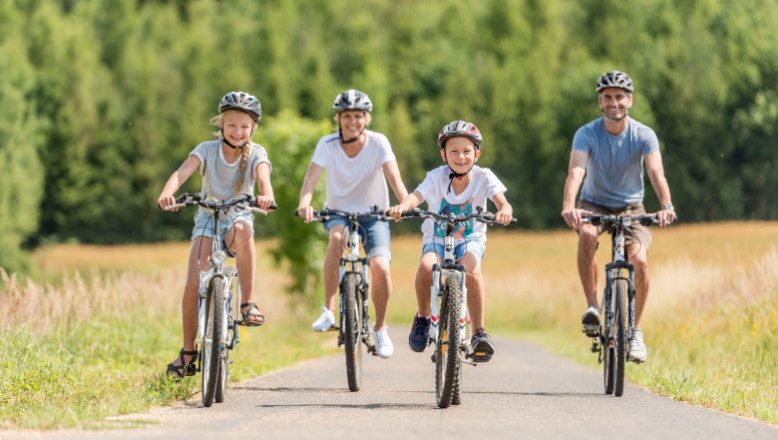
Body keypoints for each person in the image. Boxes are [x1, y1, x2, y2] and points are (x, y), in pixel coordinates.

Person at [158, 91, 275, 378]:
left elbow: (263, 179)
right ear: (221, 125)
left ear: (253, 129)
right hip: (207, 220)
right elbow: (181, 172)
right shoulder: (206, 150)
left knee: (244, 228)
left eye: (244, 127)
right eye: (232, 125)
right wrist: (167, 192)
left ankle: (247, 303)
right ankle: (188, 352)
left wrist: (266, 196)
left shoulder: (257, 153)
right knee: (194, 281)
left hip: (238, 217)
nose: (238, 131)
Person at [561, 71, 676, 363]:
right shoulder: (586, 133)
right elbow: (577, 171)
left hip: (631, 207)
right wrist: (569, 204)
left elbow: (655, 173)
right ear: (600, 102)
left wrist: (666, 204)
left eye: (620, 97)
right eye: (608, 97)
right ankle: (592, 307)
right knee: (587, 236)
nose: (614, 103)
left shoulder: (643, 134)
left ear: (630, 100)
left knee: (639, 262)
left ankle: (635, 331)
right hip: (594, 205)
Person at [387, 120, 513, 361]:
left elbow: (502, 202)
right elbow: (417, 196)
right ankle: (423, 317)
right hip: (436, 236)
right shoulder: (436, 177)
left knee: (472, 272)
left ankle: (478, 333)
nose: (461, 156)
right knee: (426, 267)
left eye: (467, 150)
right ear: (443, 153)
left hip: (470, 239)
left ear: (477, 153)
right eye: (453, 151)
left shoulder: (484, 177)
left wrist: (504, 210)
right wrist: (404, 206)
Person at [296, 89, 409, 359]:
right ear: (338, 118)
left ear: (367, 119)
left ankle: (380, 328)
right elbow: (310, 181)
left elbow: (395, 178)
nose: (353, 121)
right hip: (338, 213)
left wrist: (403, 204)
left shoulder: (379, 142)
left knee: (380, 266)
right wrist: (305, 203)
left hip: (374, 214)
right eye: (347, 116)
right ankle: (328, 310)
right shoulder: (327, 144)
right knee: (336, 240)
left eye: (358, 116)